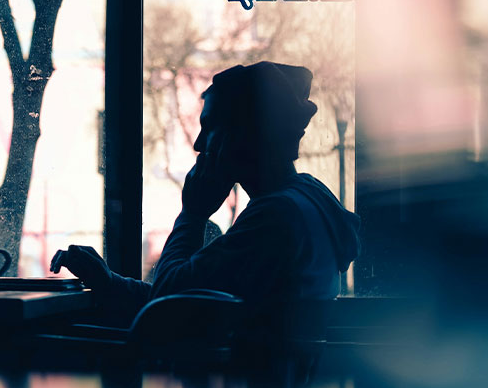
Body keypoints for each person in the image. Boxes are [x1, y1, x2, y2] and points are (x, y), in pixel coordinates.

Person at [51, 61, 361, 325]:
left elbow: (166, 305)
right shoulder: (306, 198)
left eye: (210, 127)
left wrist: (193, 214)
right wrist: (109, 282)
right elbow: (189, 294)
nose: (199, 144)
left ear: (246, 132)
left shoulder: (275, 217)